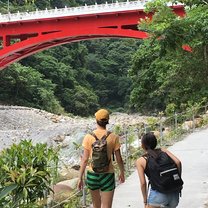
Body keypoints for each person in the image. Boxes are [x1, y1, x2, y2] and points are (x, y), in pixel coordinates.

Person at [77, 109, 125, 208]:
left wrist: (80, 178)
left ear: (96, 120)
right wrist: (122, 173)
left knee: (96, 206)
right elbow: (119, 158)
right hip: (108, 174)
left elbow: (85, 159)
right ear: (107, 121)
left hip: (92, 175)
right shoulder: (113, 137)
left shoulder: (88, 137)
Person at [136, 132, 182, 208]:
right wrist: (178, 182)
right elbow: (178, 162)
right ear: (155, 143)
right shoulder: (164, 151)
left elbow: (143, 183)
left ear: (142, 145)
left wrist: (145, 202)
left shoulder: (141, 161)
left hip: (157, 197)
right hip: (174, 195)